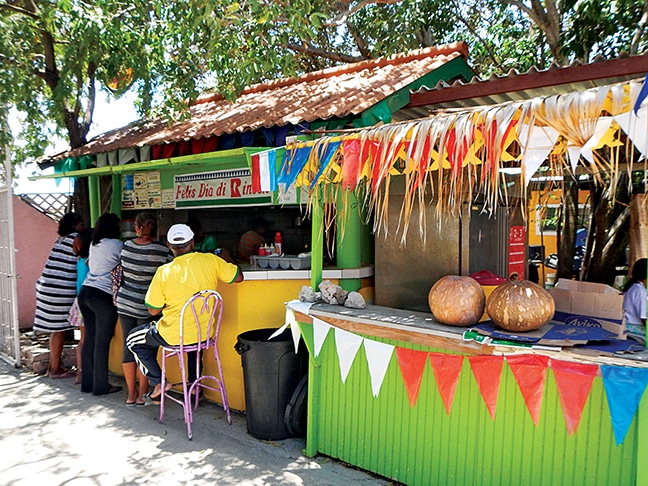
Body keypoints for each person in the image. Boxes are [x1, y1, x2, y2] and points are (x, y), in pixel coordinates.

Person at [127, 223, 244, 401]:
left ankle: (159, 381)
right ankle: (194, 386)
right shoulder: (211, 260)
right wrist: (227, 258)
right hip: (204, 333)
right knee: (192, 341)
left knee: (133, 340)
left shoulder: (164, 272)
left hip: (174, 336)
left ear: (169, 246)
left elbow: (152, 310)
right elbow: (239, 277)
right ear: (192, 243)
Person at [116, 212, 172, 406]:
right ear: (155, 229)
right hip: (148, 306)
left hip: (125, 303)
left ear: (137, 228)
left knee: (127, 347)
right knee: (145, 349)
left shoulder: (126, 246)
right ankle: (143, 395)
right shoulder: (161, 250)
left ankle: (130, 395)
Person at [34, 212, 85, 378]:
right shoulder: (77, 238)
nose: (83, 227)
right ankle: (57, 369)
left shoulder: (61, 239)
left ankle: (53, 367)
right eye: (81, 224)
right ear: (75, 225)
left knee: (57, 330)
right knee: (64, 329)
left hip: (47, 287)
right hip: (60, 290)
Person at [77, 213, 124, 396]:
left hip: (86, 292)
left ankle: (87, 384)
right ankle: (101, 386)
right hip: (102, 296)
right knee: (102, 342)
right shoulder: (117, 245)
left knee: (90, 338)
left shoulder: (94, 244)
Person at [70, 227, 93, 384]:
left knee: (83, 339)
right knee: (88, 339)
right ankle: (85, 372)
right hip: (87, 301)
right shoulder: (89, 260)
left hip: (78, 301)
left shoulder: (79, 260)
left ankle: (80, 372)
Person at [623, 257, 647, 344]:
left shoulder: (633, 287)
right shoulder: (639, 290)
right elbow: (644, 318)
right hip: (634, 330)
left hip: (627, 326)